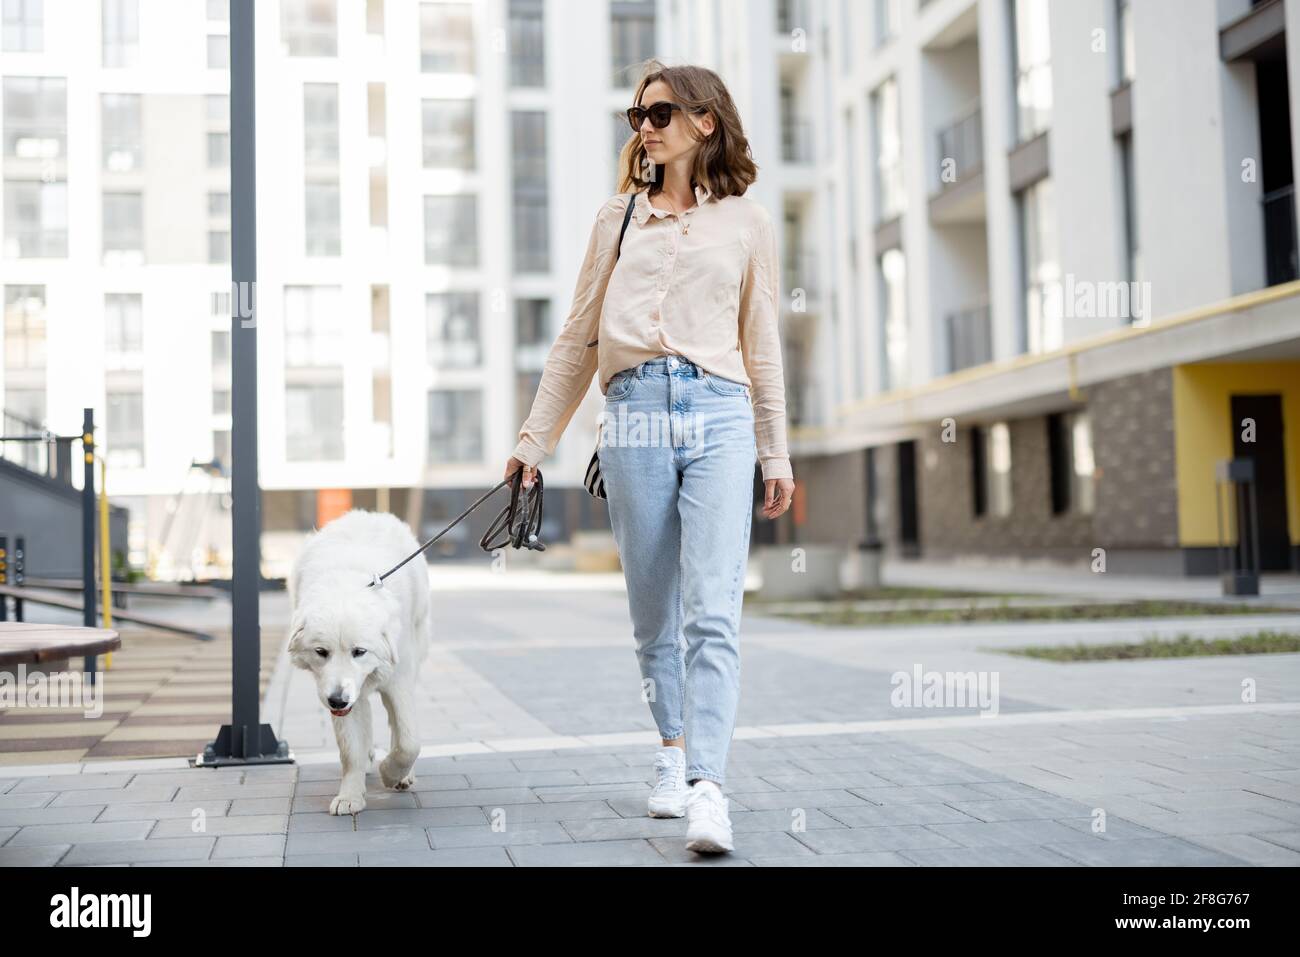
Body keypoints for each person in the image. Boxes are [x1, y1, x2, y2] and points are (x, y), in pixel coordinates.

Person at [504, 60, 794, 854]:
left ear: (705, 120)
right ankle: (670, 751)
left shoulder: (748, 223)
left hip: (720, 415)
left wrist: (776, 449)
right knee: (653, 612)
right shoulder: (617, 219)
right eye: (636, 116)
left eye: (659, 112)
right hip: (631, 415)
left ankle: (708, 785)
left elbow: (761, 341)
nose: (645, 127)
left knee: (712, 610)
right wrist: (534, 442)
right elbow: (578, 336)